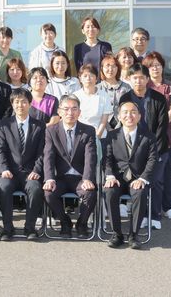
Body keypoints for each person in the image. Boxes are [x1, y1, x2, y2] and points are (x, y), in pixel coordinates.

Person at [116, 65, 169, 230]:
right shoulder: (125, 98)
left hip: (157, 148)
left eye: (141, 77)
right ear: (129, 79)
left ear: (147, 79)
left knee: (155, 182)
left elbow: (162, 126)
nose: (138, 81)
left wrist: (154, 151)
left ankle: (154, 216)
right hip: (133, 151)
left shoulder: (158, 98)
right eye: (134, 78)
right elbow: (123, 124)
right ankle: (141, 214)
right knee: (137, 183)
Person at [104, 101, 157, 250]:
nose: (129, 115)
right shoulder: (112, 135)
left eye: (133, 112)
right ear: (119, 116)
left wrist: (142, 179)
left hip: (138, 178)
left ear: (139, 116)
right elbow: (107, 159)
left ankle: (134, 235)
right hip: (118, 178)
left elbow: (152, 160)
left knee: (139, 193)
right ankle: (117, 234)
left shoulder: (149, 136)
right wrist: (110, 176)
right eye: (125, 112)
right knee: (109, 191)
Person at [43, 94, 98, 238]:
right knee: (48, 193)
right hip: (61, 177)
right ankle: (65, 222)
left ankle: (82, 224)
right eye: (66, 109)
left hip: (80, 177)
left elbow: (91, 157)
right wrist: (49, 179)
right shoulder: (51, 130)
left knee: (90, 193)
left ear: (79, 112)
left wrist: (87, 179)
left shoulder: (88, 130)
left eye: (74, 109)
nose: (70, 113)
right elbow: (48, 156)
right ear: (59, 112)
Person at [0, 88, 45, 240]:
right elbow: (0, 150)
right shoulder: (3, 125)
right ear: (12, 104)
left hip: (30, 172)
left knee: (35, 188)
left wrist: (36, 170)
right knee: (4, 187)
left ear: (30, 104)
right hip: (9, 172)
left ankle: (30, 228)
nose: (20, 105)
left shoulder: (40, 126)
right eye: (16, 102)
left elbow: (42, 152)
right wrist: (4, 169)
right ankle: (7, 228)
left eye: (24, 102)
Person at [143, 52, 171, 220]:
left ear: (162, 67)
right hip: (146, 136)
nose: (155, 68)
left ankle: (168, 206)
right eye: (151, 66)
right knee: (147, 173)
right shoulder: (144, 86)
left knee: (167, 173)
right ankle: (148, 207)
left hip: (167, 136)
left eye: (158, 65)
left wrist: (159, 125)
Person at [73, 64, 110, 159]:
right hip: (81, 137)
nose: (88, 78)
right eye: (85, 76)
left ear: (96, 78)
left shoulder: (104, 95)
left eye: (91, 75)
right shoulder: (75, 96)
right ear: (80, 78)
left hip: (100, 136)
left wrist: (97, 136)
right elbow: (74, 118)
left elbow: (104, 120)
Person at [97, 53, 131, 130]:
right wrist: (106, 127)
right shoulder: (97, 88)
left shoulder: (126, 87)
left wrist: (120, 125)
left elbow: (130, 107)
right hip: (102, 128)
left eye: (113, 66)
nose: (110, 69)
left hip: (123, 127)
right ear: (102, 69)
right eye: (107, 66)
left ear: (118, 68)